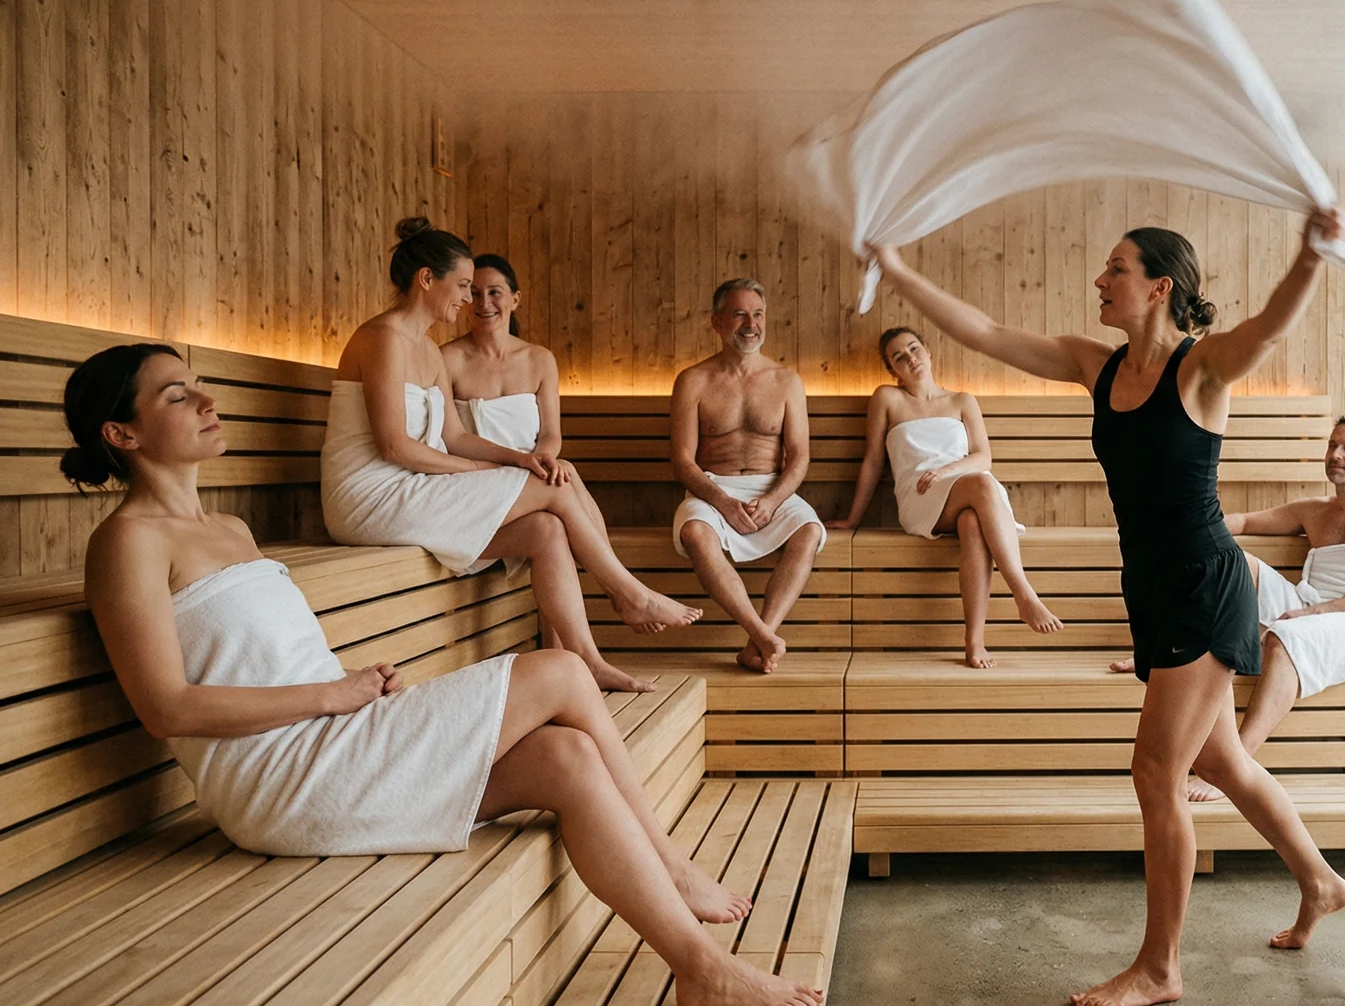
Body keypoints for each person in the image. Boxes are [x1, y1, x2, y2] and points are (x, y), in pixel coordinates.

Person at [63, 342, 821, 1006]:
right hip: (282, 775)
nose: (205, 400)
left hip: (337, 734)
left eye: (199, 385)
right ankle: (675, 866)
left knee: (570, 761)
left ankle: (699, 968)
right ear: (120, 435)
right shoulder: (126, 543)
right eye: (174, 395)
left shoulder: (230, 529)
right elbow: (165, 707)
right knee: (558, 671)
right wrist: (334, 693)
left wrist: (345, 693)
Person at [868, 213, 1345, 1006]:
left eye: (1116, 269)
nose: (1100, 281)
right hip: (1152, 586)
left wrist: (1308, 254)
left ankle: (1160, 967)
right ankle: (1322, 880)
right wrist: (897, 269)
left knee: (1155, 771)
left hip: (1205, 581)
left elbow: (1269, 327)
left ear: (1159, 286)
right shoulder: (1093, 365)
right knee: (1221, 762)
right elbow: (985, 331)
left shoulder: (1200, 371)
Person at [323, 218, 697, 693]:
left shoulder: (429, 353)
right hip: (368, 495)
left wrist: (516, 460)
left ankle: (587, 661)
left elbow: (454, 437)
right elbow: (394, 445)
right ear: (425, 279)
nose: (467, 298)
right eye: (461, 285)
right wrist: (481, 472)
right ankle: (628, 594)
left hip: (411, 488)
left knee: (545, 529)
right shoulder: (382, 338)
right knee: (549, 487)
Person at [1112, 414, 1345, 801]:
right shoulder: (1315, 509)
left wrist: (1313, 614)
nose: (1335, 455)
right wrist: (1173, 530)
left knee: (1286, 635)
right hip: (1313, 604)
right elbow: (1240, 522)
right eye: (1332, 445)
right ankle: (1165, 648)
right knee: (1233, 562)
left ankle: (1235, 762)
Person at [826, 327, 1061, 668]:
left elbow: (983, 456)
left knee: (971, 523)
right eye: (899, 357)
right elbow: (874, 460)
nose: (911, 359)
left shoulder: (962, 400)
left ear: (928, 351)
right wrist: (852, 519)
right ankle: (1023, 594)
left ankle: (974, 641)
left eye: (914, 348)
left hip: (963, 488)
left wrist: (947, 471)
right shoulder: (887, 399)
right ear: (892, 370)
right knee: (981, 485)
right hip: (920, 497)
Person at [669, 279, 826, 673]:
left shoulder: (787, 382)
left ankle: (760, 638)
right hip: (713, 488)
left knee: (808, 530)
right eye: (739, 314)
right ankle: (761, 634)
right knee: (695, 534)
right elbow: (682, 460)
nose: (750, 323)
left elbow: (800, 457)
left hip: (772, 488)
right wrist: (721, 501)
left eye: (757, 314)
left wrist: (772, 501)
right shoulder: (693, 381)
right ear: (717, 322)